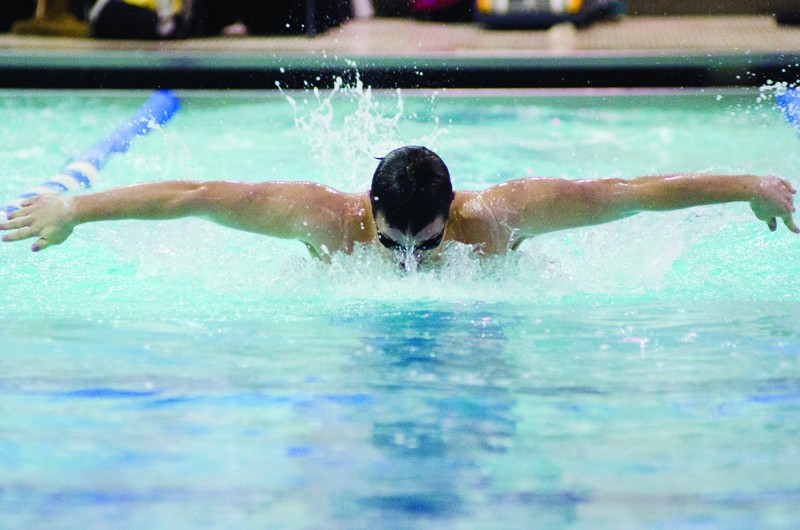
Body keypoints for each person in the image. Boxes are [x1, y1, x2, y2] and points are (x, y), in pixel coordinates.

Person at [1, 145, 797, 269]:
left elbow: (630, 196)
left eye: (427, 246)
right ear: (365, 212)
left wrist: (750, 184)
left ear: (455, 212)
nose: (412, 266)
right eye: (392, 249)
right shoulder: (321, 214)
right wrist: (79, 208)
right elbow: (196, 196)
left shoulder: (505, 214)